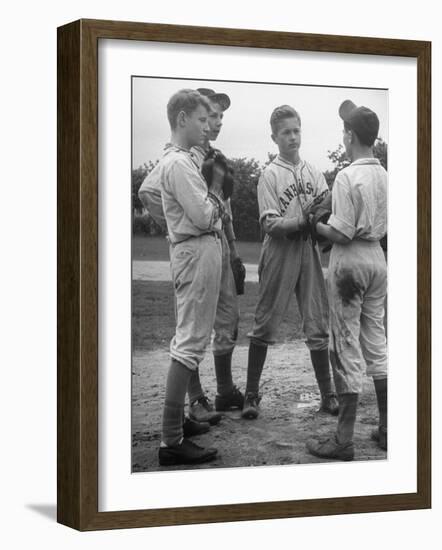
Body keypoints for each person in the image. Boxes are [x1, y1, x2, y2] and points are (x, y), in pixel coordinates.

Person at [241, 105, 339, 420]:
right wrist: (303, 219)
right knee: (265, 322)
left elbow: (326, 206)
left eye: (296, 130)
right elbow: (270, 224)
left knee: (317, 322)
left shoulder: (313, 171)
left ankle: (327, 395)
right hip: (279, 251)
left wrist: (319, 216)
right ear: (274, 137)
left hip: (307, 251)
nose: (292, 137)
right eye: (286, 132)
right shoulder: (269, 174)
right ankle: (251, 395)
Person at [306, 100, 388, 461]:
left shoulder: (346, 175)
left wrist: (316, 224)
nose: (343, 135)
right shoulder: (385, 174)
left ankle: (343, 440)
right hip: (377, 258)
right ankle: (387, 428)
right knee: (376, 342)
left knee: (345, 346)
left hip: (350, 261)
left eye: (344, 130)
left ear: (350, 135)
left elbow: (340, 232)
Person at [152, 89, 227, 466]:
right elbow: (204, 216)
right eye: (200, 119)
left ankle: (177, 423)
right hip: (195, 247)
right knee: (190, 341)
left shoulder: (176, 160)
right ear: (181, 119)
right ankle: (171, 440)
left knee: (189, 336)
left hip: (194, 249)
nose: (205, 126)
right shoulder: (180, 164)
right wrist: (215, 188)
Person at [186, 88, 244, 425]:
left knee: (228, 317)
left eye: (221, 116)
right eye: (211, 116)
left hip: (221, 241)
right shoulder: (183, 156)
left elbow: (227, 208)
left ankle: (224, 390)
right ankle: (195, 399)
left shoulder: (217, 158)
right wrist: (176, 228)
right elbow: (149, 192)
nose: (217, 122)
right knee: (194, 322)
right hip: (196, 243)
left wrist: (234, 249)